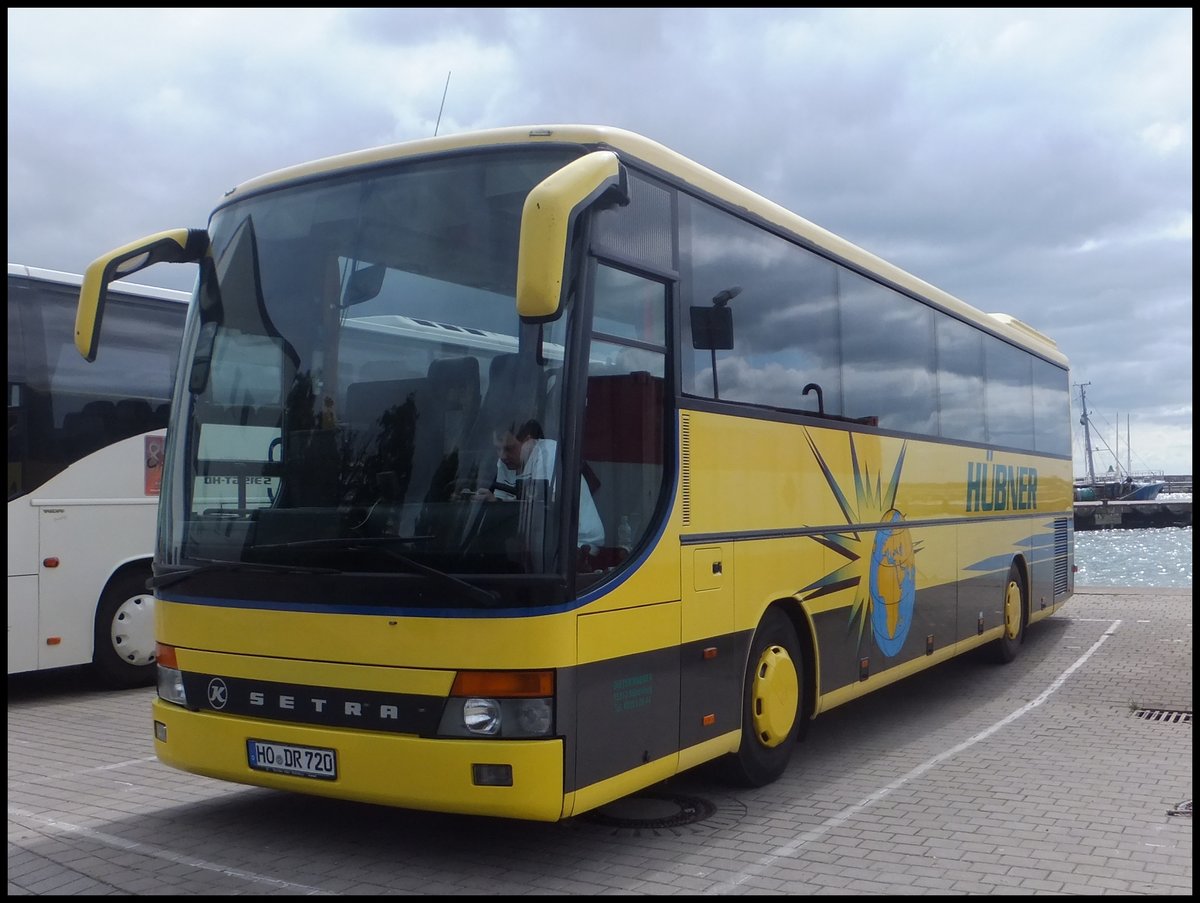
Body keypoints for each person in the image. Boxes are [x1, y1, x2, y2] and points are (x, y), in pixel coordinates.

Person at [474, 419, 605, 552]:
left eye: (509, 448)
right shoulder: (505, 462)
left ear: (528, 441)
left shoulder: (549, 454)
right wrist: (492, 502)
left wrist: (500, 506)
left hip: (576, 546)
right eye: (497, 449)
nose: (502, 456)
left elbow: (544, 515)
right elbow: (503, 509)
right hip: (533, 541)